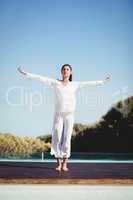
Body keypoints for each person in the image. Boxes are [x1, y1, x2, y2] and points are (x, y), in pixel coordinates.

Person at [17, 64, 111, 171]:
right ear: (61, 72)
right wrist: (26, 74)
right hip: (58, 114)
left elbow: (89, 83)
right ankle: (58, 163)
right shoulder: (56, 83)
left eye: (68, 69)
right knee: (56, 135)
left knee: (67, 138)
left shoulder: (75, 84)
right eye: (64, 69)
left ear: (70, 72)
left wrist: (103, 81)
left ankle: (65, 163)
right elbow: (41, 78)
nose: (66, 71)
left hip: (69, 115)